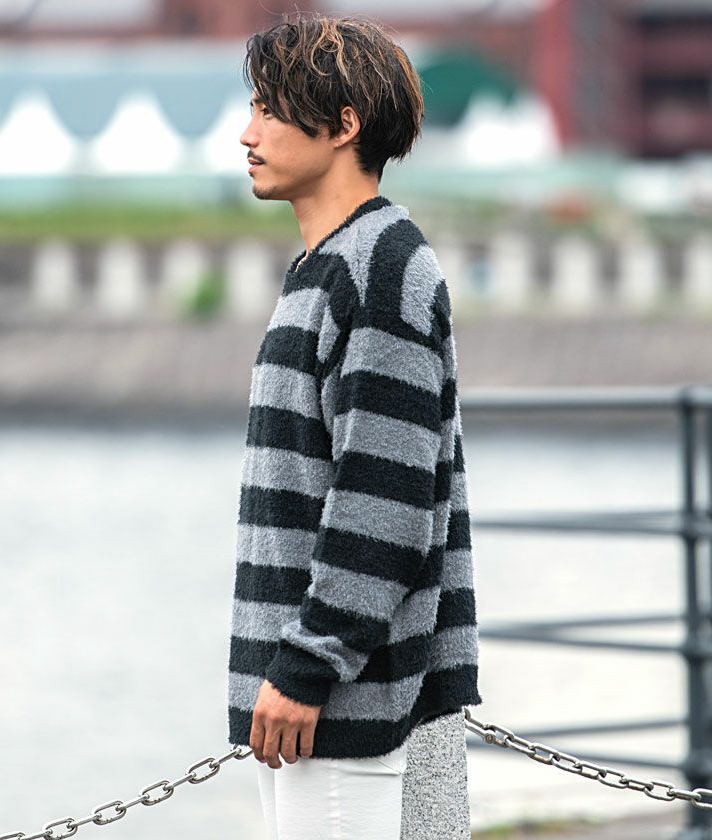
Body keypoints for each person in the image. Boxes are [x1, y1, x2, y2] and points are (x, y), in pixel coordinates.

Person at [228, 11, 482, 839]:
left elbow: (386, 498)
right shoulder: (325, 265)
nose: (247, 134)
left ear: (343, 125)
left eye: (270, 110)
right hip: (311, 705)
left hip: (347, 704)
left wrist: (308, 665)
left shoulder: (381, 268)